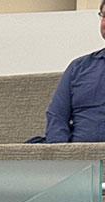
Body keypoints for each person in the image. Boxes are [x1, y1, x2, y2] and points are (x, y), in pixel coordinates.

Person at [44, 2, 105, 142]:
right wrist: (62, 155)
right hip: (81, 158)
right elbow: (57, 116)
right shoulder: (78, 67)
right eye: (104, 15)